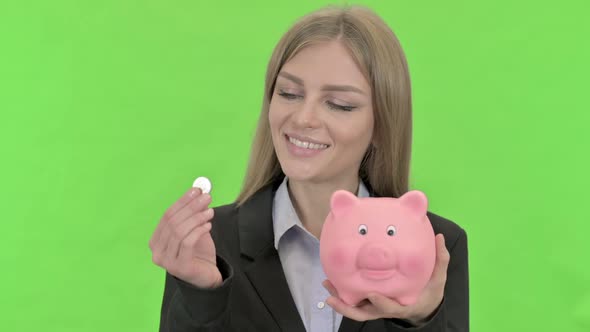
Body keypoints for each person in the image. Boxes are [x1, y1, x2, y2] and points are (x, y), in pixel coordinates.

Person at [149, 4, 469, 332]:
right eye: (289, 93)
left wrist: (419, 319)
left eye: (339, 104)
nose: (303, 118)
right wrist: (201, 296)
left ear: (382, 127)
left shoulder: (436, 247)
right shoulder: (210, 243)